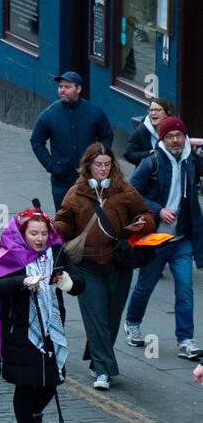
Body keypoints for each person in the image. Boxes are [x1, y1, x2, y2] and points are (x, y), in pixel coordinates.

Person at [0, 207, 81, 423]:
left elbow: (79, 285)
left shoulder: (56, 254)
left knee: (51, 381)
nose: (39, 239)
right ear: (23, 233)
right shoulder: (11, 254)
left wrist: (68, 282)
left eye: (44, 233)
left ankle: (35, 415)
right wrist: (22, 283)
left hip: (51, 329)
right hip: (20, 329)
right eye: (34, 233)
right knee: (26, 384)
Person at [54, 143, 154, 389]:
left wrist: (143, 223)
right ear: (88, 166)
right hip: (86, 266)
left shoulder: (123, 189)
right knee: (95, 316)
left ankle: (96, 357)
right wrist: (52, 230)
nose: (103, 169)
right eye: (98, 165)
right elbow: (64, 221)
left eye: (107, 164)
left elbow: (146, 214)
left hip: (118, 264)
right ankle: (103, 370)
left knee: (110, 317)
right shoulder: (76, 193)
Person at [126, 117, 203, 361]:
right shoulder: (152, 162)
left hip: (181, 238)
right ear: (162, 139)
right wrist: (158, 209)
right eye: (170, 136)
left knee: (185, 290)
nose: (175, 140)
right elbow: (130, 193)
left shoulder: (191, 160)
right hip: (155, 237)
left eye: (179, 135)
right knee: (145, 286)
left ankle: (185, 341)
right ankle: (133, 322)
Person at [30, 72, 115, 213]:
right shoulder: (50, 114)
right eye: (60, 86)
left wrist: (101, 160)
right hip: (62, 178)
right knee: (64, 216)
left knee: (90, 215)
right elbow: (36, 141)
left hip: (89, 177)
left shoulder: (94, 112)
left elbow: (107, 136)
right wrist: (51, 166)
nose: (62, 90)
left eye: (67, 87)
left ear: (78, 89)